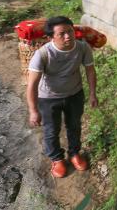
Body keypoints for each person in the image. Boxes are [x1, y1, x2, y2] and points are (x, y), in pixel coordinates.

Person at [26, 16, 98, 178]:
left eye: (70, 31)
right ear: (51, 37)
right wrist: (33, 110)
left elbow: (90, 71)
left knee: (74, 125)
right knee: (51, 130)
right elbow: (32, 85)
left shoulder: (82, 48)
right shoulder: (43, 54)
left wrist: (93, 93)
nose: (68, 36)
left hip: (75, 94)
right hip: (48, 98)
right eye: (62, 34)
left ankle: (74, 153)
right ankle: (57, 158)